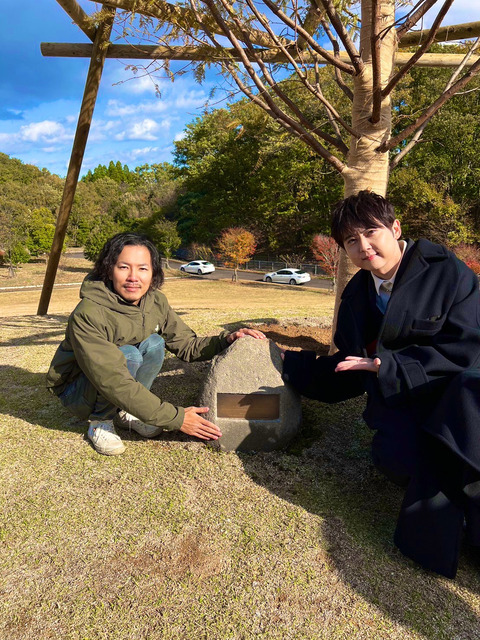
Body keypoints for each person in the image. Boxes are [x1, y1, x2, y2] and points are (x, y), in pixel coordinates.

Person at [282, 191, 480, 578]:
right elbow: (349, 365)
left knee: (460, 455)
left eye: (371, 232)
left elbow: (468, 347)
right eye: (351, 240)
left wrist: (389, 365)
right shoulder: (356, 294)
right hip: (399, 398)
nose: (364, 247)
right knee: (397, 458)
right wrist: (285, 362)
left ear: (395, 228)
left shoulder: (448, 272)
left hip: (458, 396)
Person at [47, 232, 265, 456]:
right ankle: (100, 421)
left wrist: (226, 340)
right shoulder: (88, 313)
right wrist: (176, 418)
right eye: (124, 267)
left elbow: (186, 345)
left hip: (117, 381)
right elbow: (111, 378)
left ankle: (128, 412)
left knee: (154, 343)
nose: (133, 277)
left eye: (143, 268)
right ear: (109, 270)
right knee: (129, 354)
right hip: (78, 389)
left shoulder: (155, 301)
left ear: (153, 273)